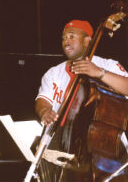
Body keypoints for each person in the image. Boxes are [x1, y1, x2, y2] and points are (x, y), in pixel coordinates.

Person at [35, 19, 128, 181]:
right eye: (64, 38)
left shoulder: (108, 65)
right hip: (60, 143)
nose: (66, 41)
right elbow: (43, 99)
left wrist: (100, 73)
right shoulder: (53, 73)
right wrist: (44, 110)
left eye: (72, 36)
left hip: (102, 148)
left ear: (87, 41)